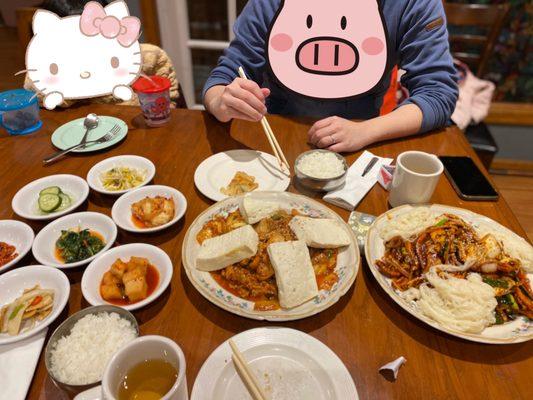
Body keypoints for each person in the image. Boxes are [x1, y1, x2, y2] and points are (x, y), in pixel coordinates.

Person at [203, 0, 458, 153]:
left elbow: (438, 93)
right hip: (276, 141)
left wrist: (365, 131)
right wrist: (220, 101)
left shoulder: (411, 4)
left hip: (361, 143)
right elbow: (226, 74)